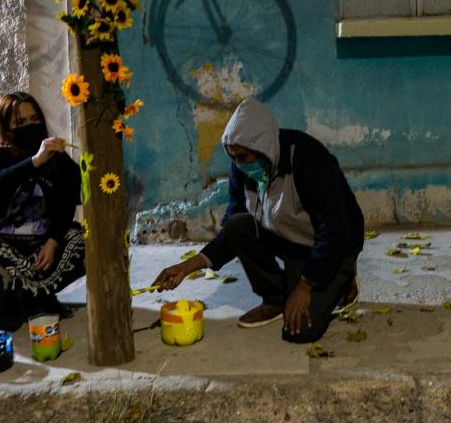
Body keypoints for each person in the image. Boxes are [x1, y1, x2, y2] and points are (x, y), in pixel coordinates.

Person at [152, 98, 365, 343]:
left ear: (264, 147)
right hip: (289, 239)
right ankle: (275, 298)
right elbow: (231, 228)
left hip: (334, 246)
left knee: (300, 331)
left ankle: (344, 279)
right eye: (233, 157)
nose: (238, 164)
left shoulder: (309, 159)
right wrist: (187, 267)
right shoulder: (242, 167)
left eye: (243, 156)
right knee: (237, 227)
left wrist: (306, 286)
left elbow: (335, 230)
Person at [0, 92, 85, 332]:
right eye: (20, 123)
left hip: (37, 247)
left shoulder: (54, 158)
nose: (31, 127)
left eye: (34, 120)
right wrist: (33, 162)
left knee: (86, 244)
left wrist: (52, 241)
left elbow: (68, 199)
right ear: (5, 126)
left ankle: (38, 297)